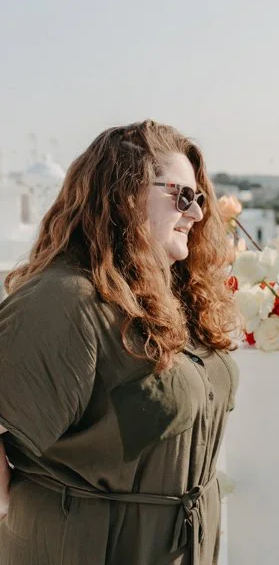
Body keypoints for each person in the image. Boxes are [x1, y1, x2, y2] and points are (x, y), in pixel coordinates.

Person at [0, 121, 240, 564]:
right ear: (122, 193)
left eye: (200, 198)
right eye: (182, 196)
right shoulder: (64, 300)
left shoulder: (178, 297)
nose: (197, 213)